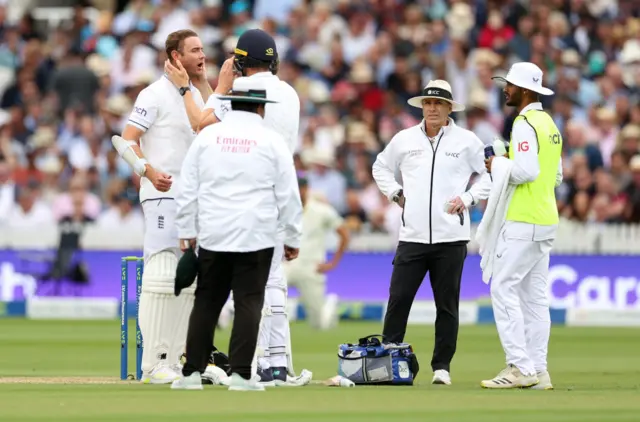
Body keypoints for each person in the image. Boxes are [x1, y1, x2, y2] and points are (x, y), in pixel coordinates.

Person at [167, 28, 304, 385]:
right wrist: (293, 233)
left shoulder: (231, 102)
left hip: (221, 216)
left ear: (241, 64)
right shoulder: (288, 96)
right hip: (264, 211)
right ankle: (267, 366)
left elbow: (202, 125)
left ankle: (204, 370)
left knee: (211, 299)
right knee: (259, 293)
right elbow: (289, 187)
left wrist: (210, 87)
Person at [372, 80, 491, 386]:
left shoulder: (466, 141)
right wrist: (395, 193)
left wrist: (468, 198)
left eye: (439, 104)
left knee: (447, 306)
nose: (433, 108)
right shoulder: (404, 139)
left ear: (450, 108)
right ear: (421, 107)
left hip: (450, 238)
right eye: (428, 103)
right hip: (411, 236)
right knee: (398, 300)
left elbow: (493, 173)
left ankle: (442, 367)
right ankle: (388, 360)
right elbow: (380, 167)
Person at [110, 29, 213, 384]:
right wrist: (148, 170)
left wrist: (200, 84)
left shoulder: (196, 94)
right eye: (195, 50)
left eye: (203, 49)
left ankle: (181, 357)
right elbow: (126, 140)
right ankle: (154, 362)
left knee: (190, 279)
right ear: (174, 56)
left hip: (194, 197)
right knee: (162, 271)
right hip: (162, 194)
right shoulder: (152, 94)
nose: (202, 54)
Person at [479, 62, 562, 390]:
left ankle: (520, 367)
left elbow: (526, 172)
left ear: (525, 90)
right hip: (546, 218)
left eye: (510, 85)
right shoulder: (550, 124)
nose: (505, 89)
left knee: (502, 287)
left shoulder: (525, 122)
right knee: (534, 298)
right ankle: (539, 371)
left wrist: (498, 163)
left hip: (524, 219)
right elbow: (555, 175)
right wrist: (509, 158)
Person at [284, 175, 350, 331]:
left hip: (311, 267)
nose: (299, 192)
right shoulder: (284, 208)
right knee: (270, 300)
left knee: (319, 323)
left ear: (307, 189)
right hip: (285, 265)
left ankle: (329, 306)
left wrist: (333, 263)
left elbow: (344, 234)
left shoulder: (321, 210)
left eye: (302, 188)